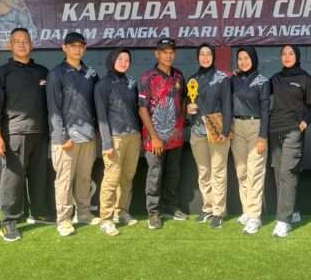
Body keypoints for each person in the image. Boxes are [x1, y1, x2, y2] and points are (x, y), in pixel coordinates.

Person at [0, 28, 51, 243]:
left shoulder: (43, 72)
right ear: (9, 45)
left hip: (40, 132)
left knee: (39, 176)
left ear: (32, 44)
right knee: (13, 178)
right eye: (17, 41)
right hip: (14, 133)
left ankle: (37, 212)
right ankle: (9, 221)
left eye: (25, 41)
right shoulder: (1, 73)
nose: (22, 44)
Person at [46, 32, 99, 237]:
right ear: (64, 48)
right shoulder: (56, 74)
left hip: (88, 136)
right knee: (64, 181)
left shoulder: (91, 73)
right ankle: (64, 220)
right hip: (66, 139)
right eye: (73, 45)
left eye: (81, 46)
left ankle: (83, 214)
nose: (77, 49)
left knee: (84, 179)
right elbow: (53, 109)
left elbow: (97, 104)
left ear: (85, 48)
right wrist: (62, 137)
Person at [138, 37, 187, 230]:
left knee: (173, 173)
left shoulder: (179, 76)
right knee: (155, 174)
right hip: (155, 138)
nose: (168, 55)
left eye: (171, 52)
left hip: (175, 136)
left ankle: (171, 207)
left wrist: (185, 119)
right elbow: (142, 109)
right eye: (164, 52)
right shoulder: (147, 77)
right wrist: (155, 137)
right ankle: (154, 212)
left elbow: (183, 101)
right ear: (156, 54)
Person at [269, 45, 311, 238]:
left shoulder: (305, 79)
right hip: (275, 130)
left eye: (291, 53)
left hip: (293, 131)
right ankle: (293, 211)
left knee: (288, 173)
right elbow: (260, 92)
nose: (287, 57)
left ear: (297, 56)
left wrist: (305, 122)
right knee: (279, 174)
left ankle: (283, 221)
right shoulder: (275, 79)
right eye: (284, 54)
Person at [94, 48, 141, 236]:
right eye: (120, 59)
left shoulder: (132, 82)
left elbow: (138, 109)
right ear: (112, 60)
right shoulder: (103, 84)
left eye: (127, 59)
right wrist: (107, 143)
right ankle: (106, 219)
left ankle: (121, 211)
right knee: (112, 178)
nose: (124, 62)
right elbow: (101, 116)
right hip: (115, 138)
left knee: (127, 177)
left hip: (133, 136)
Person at [187, 44, 232, 229]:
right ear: (197, 57)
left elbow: (228, 106)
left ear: (213, 56)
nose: (205, 57)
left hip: (217, 131)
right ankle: (208, 207)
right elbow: (189, 104)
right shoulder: (193, 79)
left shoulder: (222, 78)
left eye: (208, 54)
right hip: (197, 131)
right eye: (202, 54)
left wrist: (226, 131)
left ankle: (219, 211)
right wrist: (188, 109)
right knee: (204, 172)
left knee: (218, 172)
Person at [230, 46, 270, 235]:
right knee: (242, 171)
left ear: (253, 59)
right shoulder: (234, 80)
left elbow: (265, 111)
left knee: (255, 172)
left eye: (247, 58)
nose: (243, 61)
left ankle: (255, 216)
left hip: (256, 127)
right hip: (237, 127)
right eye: (240, 58)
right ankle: (247, 210)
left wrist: (263, 136)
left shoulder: (263, 81)